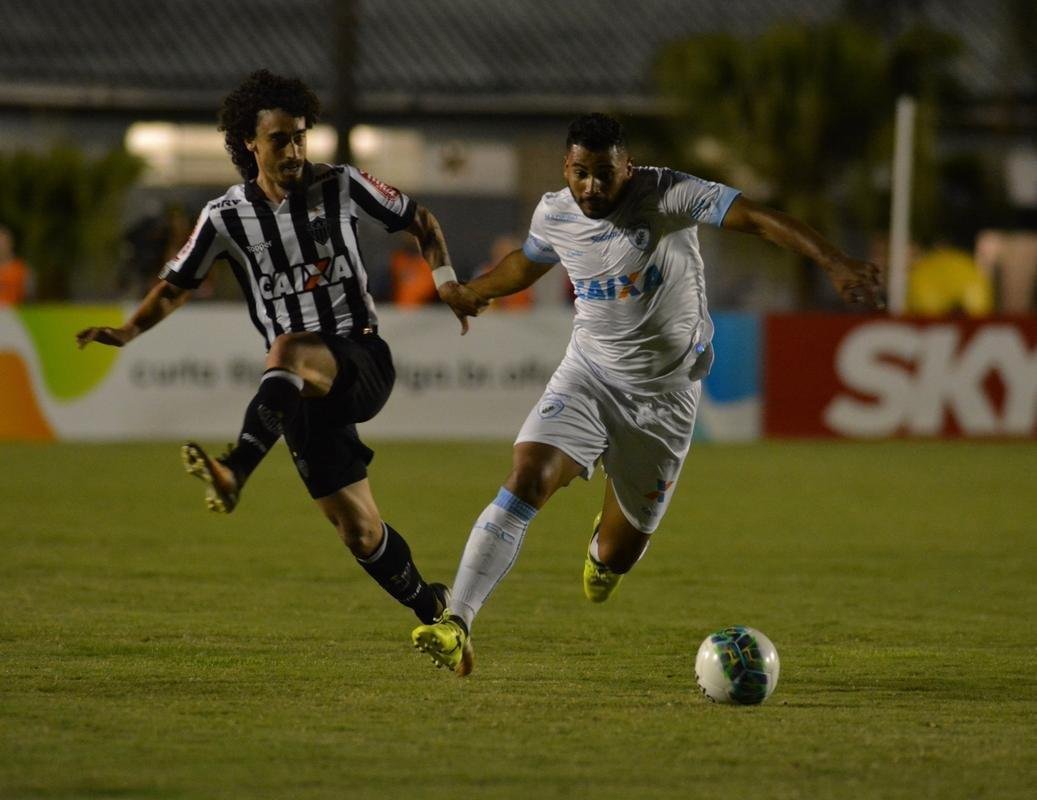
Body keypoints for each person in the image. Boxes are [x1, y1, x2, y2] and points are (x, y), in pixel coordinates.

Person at [411, 113, 884, 676]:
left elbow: (756, 219)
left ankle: (602, 555)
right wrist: (473, 292)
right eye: (580, 174)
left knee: (617, 553)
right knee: (528, 475)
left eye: (604, 175)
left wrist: (837, 261)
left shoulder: (668, 194)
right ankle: (456, 623)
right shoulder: (555, 211)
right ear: (567, 167)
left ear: (626, 167)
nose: (590, 188)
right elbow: (527, 262)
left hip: (665, 399)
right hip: (588, 375)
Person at [76, 70, 467, 647]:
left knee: (286, 347)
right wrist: (129, 331)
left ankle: (235, 469)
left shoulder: (341, 183)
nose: (294, 150)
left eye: (301, 136)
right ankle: (434, 611)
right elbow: (178, 283)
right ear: (249, 144)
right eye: (280, 139)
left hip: (358, 357)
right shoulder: (224, 217)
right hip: (297, 388)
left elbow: (421, 221)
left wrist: (449, 283)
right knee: (358, 531)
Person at [0, 224, 35, 306]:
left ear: (10, 244)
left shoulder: (23, 270)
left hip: (15, 314)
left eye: (2, 242)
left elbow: (31, 298)